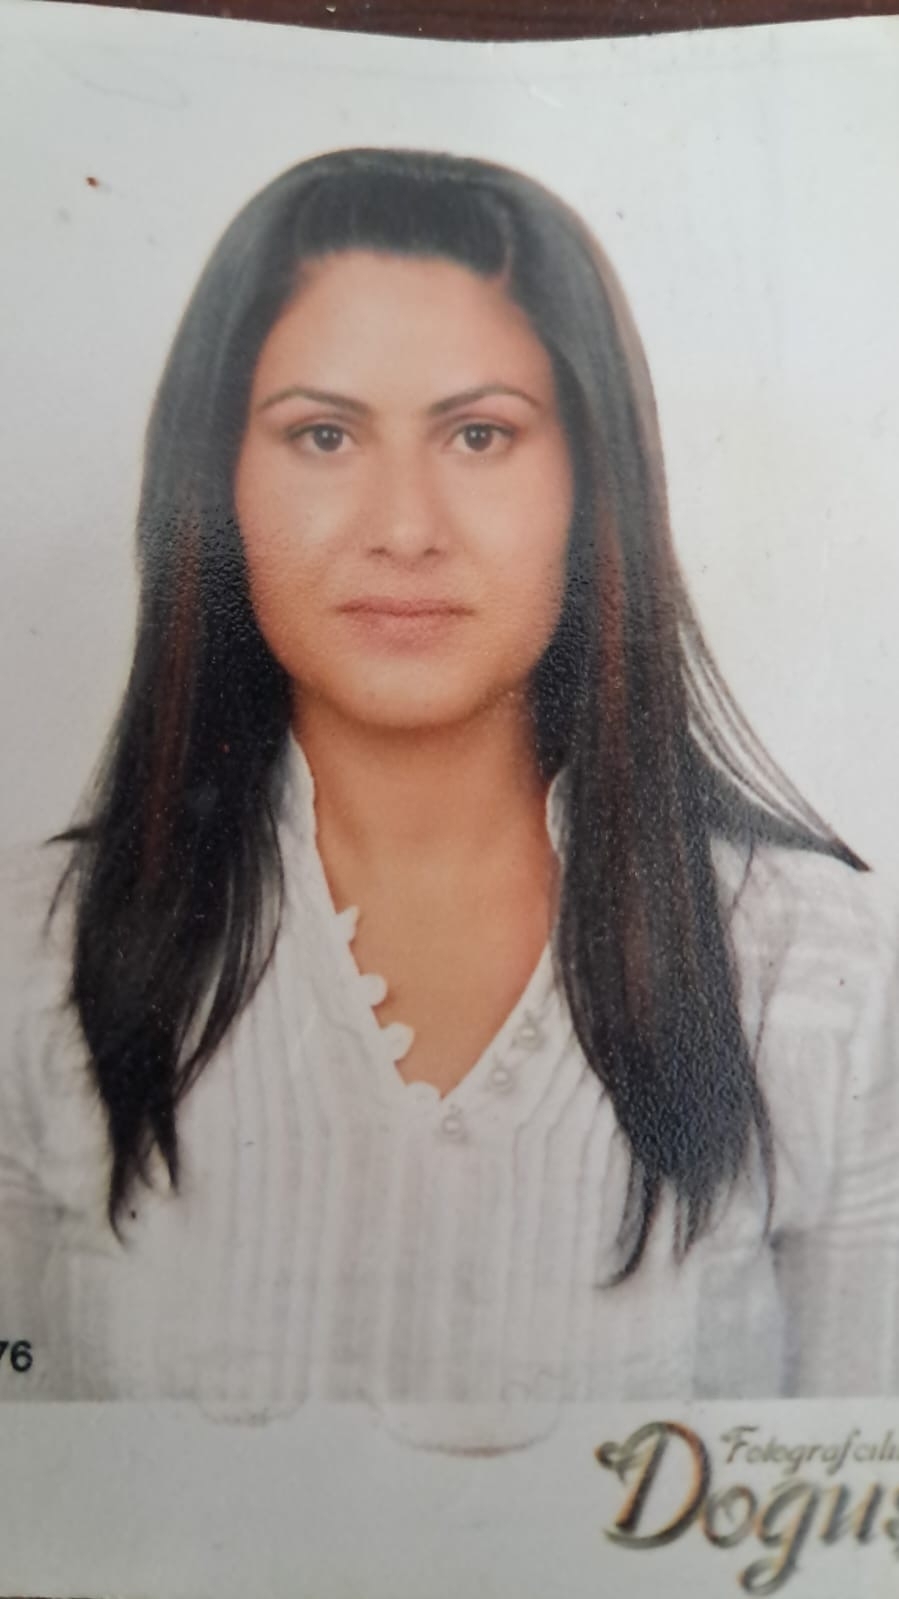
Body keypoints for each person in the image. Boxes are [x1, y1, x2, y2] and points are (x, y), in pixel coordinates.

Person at [1, 148, 897, 1437]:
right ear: (217, 483)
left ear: (592, 485)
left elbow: (857, 1515)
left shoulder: (816, 971)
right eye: (323, 435)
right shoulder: (34, 956)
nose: (405, 527)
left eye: (480, 435)